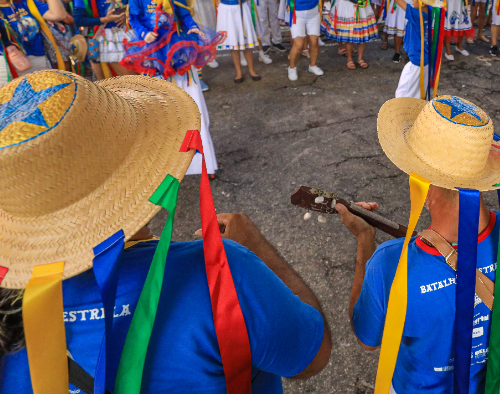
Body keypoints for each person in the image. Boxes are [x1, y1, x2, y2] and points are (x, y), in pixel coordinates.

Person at [0, 71, 331, 394]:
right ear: (142, 167)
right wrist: (258, 248)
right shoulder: (221, 275)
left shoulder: (10, 315)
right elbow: (312, 359)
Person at [338, 94, 500, 394]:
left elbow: (367, 339)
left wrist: (364, 243)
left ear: (422, 186)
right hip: (494, 385)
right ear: (483, 175)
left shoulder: (388, 264)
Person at [121, 0, 223, 174]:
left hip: (180, 49)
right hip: (154, 52)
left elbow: (184, 13)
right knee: (162, 104)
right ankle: (170, 163)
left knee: (191, 98)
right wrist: (143, 33)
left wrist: (193, 26)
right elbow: (134, 18)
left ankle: (203, 162)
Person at [72, 0, 133, 81]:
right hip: (105, 40)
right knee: (127, 81)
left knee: (133, 79)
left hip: (124, 34)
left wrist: (126, 14)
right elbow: (79, 20)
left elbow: (125, 5)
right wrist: (105, 19)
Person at [391, 0, 443, 98]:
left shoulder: (416, 15)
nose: (412, 0)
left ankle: (403, 114)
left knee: (403, 93)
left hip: (416, 61)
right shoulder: (430, 13)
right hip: (424, 59)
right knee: (419, 92)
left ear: (422, 4)